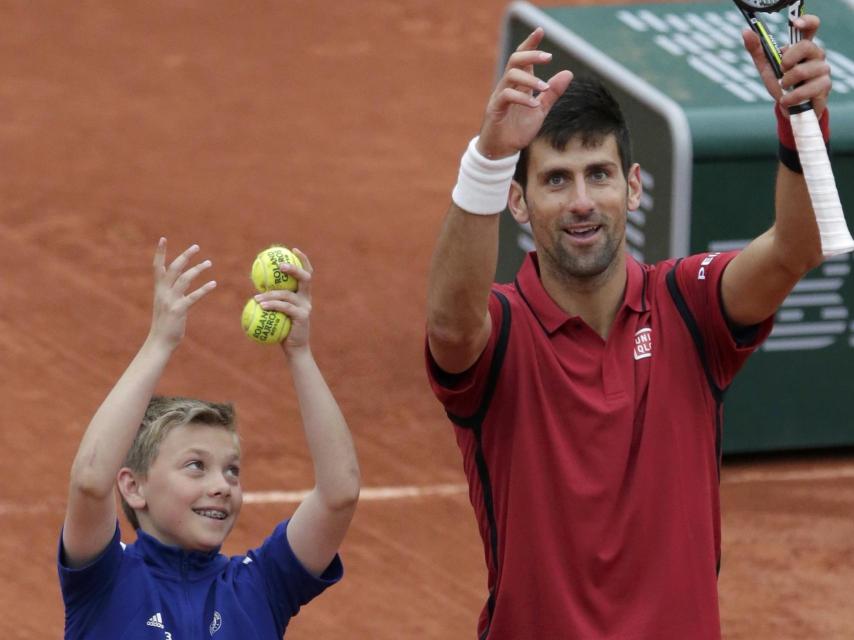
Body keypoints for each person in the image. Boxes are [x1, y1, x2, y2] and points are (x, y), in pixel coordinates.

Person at [425, 15, 834, 640]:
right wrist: (487, 159)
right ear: (518, 202)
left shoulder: (690, 308)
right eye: (555, 180)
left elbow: (793, 251)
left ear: (632, 187)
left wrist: (802, 123)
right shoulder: (501, 332)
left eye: (599, 174)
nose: (582, 201)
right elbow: (451, 326)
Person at [59, 238, 360, 639]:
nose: (221, 486)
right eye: (196, 466)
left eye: (232, 471)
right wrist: (159, 342)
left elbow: (339, 493)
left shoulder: (262, 585)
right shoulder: (103, 580)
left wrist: (300, 354)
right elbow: (89, 480)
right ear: (133, 486)